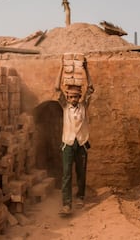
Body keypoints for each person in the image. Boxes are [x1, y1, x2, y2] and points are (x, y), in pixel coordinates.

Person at [55, 58, 94, 216]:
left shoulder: (84, 106)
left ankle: (80, 196)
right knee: (66, 174)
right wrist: (61, 68)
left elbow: (90, 88)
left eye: (76, 97)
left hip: (82, 143)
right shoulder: (64, 107)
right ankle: (66, 204)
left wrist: (85, 69)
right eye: (70, 97)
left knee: (81, 172)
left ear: (79, 97)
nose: (73, 100)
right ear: (67, 97)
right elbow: (56, 88)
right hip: (68, 144)